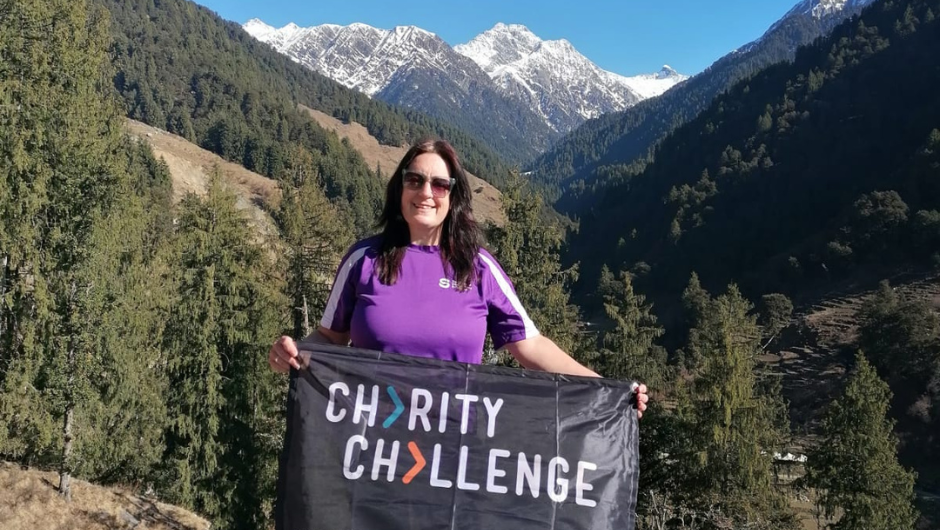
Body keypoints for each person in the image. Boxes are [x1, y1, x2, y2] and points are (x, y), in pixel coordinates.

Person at [268, 139, 648, 417]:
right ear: (399, 188)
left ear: (453, 196)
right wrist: (293, 352)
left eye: (439, 184)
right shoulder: (363, 260)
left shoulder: (479, 268)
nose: (425, 193)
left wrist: (608, 389)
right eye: (414, 180)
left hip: (452, 447)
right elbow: (331, 338)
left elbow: (529, 346)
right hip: (369, 444)